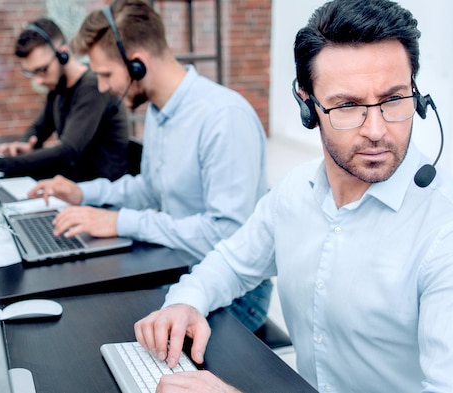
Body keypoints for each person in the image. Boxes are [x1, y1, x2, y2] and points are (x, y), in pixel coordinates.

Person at [133, 0, 453, 392]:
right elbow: (231, 262)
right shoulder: (296, 192)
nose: (376, 130)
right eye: (348, 105)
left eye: (394, 99)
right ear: (306, 104)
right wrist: (186, 300)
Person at [27, 0, 272, 332]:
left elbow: (224, 234)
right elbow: (147, 188)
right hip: (177, 267)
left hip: (232, 295)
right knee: (82, 316)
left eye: (105, 75)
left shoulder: (223, 118)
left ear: (137, 65)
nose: (101, 87)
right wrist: (82, 193)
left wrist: (121, 221)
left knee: (100, 327)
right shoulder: (159, 111)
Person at [0, 18, 129, 182]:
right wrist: (24, 145)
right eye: (31, 73)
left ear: (63, 53)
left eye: (42, 70)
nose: (38, 81)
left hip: (99, 194)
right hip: (73, 186)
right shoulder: (58, 87)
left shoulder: (93, 86)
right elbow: (40, 128)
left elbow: (67, 151)